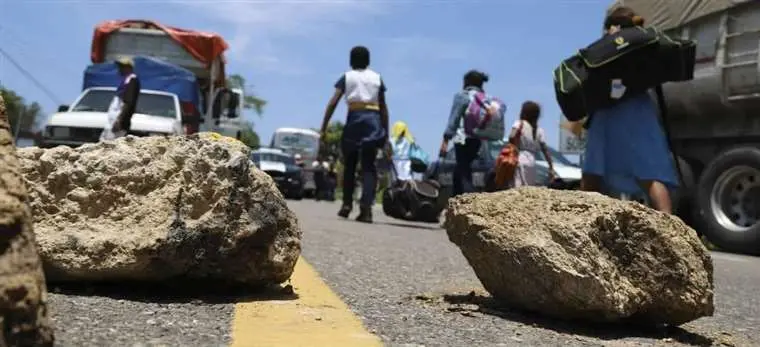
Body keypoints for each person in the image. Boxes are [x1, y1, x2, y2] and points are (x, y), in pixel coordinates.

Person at [580, 6, 678, 214]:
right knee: (649, 175)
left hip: (609, 111)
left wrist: (610, 39)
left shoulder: (611, 44)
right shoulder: (644, 43)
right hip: (640, 111)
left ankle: (583, 223)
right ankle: (669, 229)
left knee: (593, 173)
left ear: (611, 25)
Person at [320, 45, 389, 223]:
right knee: (369, 166)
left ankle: (347, 205)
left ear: (351, 60)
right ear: (368, 61)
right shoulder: (377, 78)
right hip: (373, 121)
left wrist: (324, 126)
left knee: (349, 165)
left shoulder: (347, 77)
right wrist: (385, 131)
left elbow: (333, 101)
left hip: (354, 119)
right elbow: (383, 107)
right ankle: (366, 208)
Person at [439, 70, 489, 197]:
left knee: (464, 173)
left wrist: (445, 141)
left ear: (467, 82)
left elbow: (454, 119)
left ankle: (468, 200)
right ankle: (456, 200)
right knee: (460, 170)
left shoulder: (462, 96)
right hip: (478, 139)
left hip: (462, 138)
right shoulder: (484, 98)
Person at [509, 101, 554, 187]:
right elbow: (545, 150)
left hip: (519, 158)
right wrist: (551, 167)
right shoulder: (540, 130)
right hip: (532, 161)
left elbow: (512, 136)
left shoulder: (519, 123)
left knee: (517, 187)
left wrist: (514, 146)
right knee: (528, 188)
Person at [100, 56, 140, 141]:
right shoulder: (126, 80)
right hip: (113, 121)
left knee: (111, 145)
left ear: (129, 68)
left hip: (119, 124)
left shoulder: (132, 80)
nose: (120, 69)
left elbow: (128, 102)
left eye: (123, 66)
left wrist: (119, 120)